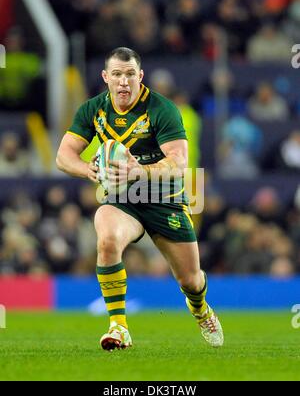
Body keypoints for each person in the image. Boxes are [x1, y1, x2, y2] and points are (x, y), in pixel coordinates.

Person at [56, 47, 224, 350]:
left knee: (191, 281)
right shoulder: (92, 110)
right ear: (106, 77)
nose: (124, 81)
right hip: (122, 198)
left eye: (130, 74)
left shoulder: (162, 108)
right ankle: (118, 327)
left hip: (165, 199)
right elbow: (63, 156)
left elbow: (179, 162)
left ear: (140, 76)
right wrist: (89, 169)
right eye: (117, 74)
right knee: (106, 238)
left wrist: (139, 170)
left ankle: (200, 309)